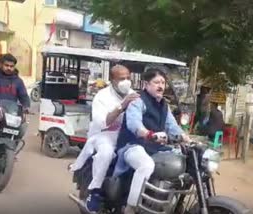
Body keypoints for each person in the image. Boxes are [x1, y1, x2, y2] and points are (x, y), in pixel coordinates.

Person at [115, 68, 190, 214]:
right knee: (146, 165)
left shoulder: (164, 105)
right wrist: (148, 134)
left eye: (163, 82)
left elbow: (172, 126)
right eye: (156, 82)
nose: (161, 86)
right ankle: (130, 208)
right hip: (132, 145)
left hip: (155, 147)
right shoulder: (137, 100)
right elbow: (134, 124)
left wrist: (187, 139)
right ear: (146, 84)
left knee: (182, 161)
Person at [69, 64, 139, 213]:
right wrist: (122, 105)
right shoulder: (102, 96)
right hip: (104, 135)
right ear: (112, 80)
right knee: (106, 153)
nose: (126, 81)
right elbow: (103, 122)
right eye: (122, 79)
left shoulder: (133, 94)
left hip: (126, 135)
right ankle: (94, 194)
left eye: (128, 78)